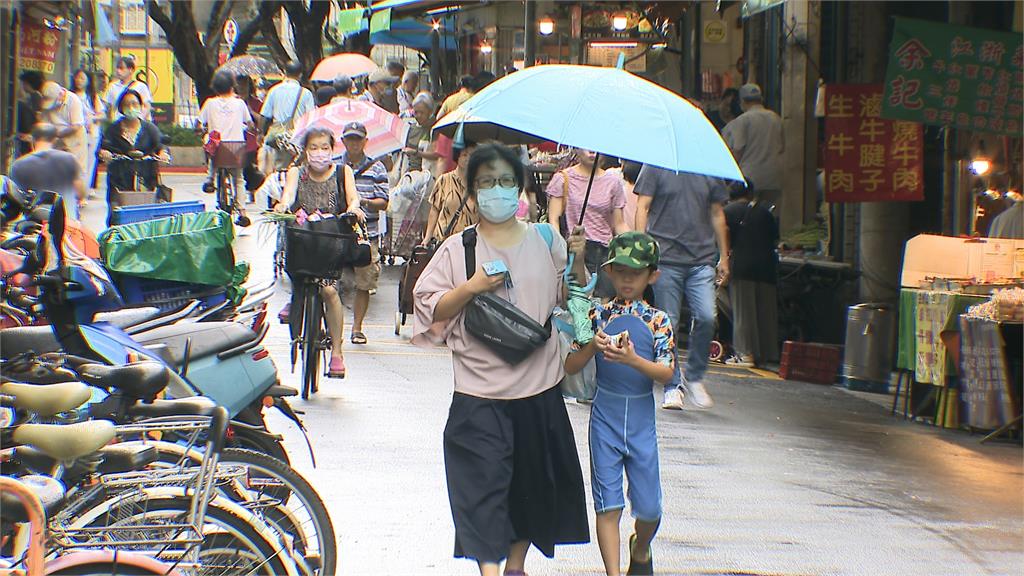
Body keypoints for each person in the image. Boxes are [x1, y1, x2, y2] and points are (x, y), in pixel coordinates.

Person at [412, 142, 590, 576]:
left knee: (530, 487)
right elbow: (430, 306)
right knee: (480, 490)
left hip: (538, 390)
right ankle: (489, 571)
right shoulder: (459, 248)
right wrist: (472, 286)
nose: (498, 191)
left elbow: (569, 298)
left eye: (506, 182)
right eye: (487, 183)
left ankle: (515, 567)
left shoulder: (548, 241)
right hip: (478, 393)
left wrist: (580, 259)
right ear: (472, 194)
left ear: (523, 191)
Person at [564, 231, 675, 576]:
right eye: (621, 270)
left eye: (636, 272)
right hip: (604, 419)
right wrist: (592, 347)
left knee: (649, 510)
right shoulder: (596, 313)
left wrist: (632, 361)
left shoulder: (659, 320)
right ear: (609, 271)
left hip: (641, 422)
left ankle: (640, 548)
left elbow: (667, 374)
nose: (628, 279)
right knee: (607, 505)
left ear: (652, 275)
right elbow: (570, 366)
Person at [634, 166, 730, 410]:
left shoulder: (710, 168)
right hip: (666, 258)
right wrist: (641, 247)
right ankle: (672, 385)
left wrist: (724, 257)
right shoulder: (656, 165)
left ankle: (695, 376)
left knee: (707, 317)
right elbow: (642, 206)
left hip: (702, 260)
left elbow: (717, 213)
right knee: (670, 323)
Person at [274, 126, 364, 379]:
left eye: (324, 148)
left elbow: (353, 198)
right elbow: (288, 196)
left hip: (330, 241)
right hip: (302, 240)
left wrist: (354, 210)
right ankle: (295, 298)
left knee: (329, 291)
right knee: (296, 269)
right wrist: (282, 206)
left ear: (332, 150)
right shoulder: (296, 173)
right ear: (305, 151)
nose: (319, 153)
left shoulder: (343, 172)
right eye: (314, 148)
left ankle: (336, 352)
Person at [546, 148, 629, 298]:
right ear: (577, 149)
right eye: (587, 147)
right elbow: (554, 220)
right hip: (574, 249)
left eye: (597, 148)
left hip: (604, 253)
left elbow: (619, 223)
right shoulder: (563, 179)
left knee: (603, 305)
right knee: (577, 302)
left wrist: (634, 241)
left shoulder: (613, 182)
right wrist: (558, 251)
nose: (592, 152)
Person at [338, 122, 389, 345]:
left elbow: (384, 202)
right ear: (343, 142)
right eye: (350, 139)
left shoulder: (376, 168)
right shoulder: (334, 167)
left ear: (365, 142)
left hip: (367, 233)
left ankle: (357, 327)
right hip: (338, 232)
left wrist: (362, 202)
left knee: (364, 282)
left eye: (358, 139)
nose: (354, 144)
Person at [723, 181, 779, 367]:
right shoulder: (765, 212)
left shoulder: (729, 211)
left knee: (743, 312)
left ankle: (745, 353)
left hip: (743, 266)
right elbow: (774, 238)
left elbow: (724, 236)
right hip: (768, 266)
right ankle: (768, 353)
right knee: (765, 311)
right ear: (750, 192)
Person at [98, 89, 169, 223]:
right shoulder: (114, 129)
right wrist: (105, 154)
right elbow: (103, 147)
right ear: (121, 108)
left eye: (135, 104)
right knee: (116, 215)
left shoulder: (150, 128)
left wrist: (163, 154)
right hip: (119, 179)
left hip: (146, 178)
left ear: (141, 106)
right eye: (127, 105)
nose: (131, 108)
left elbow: (161, 145)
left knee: (146, 216)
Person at [198, 70, 254, 226]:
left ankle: (210, 179)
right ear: (232, 86)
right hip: (236, 148)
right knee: (239, 179)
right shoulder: (240, 103)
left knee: (211, 148)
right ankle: (242, 212)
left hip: (218, 148)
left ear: (215, 87)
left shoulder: (209, 103)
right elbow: (249, 123)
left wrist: (202, 129)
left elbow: (199, 123)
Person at [722, 84, 784, 213]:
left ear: (742, 102)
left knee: (749, 216)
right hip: (774, 178)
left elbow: (738, 151)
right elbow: (782, 148)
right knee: (769, 216)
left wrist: (726, 178)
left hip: (750, 179)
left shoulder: (743, 121)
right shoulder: (776, 118)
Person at [10, 123, 86, 219]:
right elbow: (81, 192)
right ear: (55, 140)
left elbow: (15, 197)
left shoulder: (18, 165)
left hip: (32, 224)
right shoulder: (69, 159)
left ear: (32, 139)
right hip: (67, 219)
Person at [259, 61, 315, 176]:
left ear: (284, 72)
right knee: (295, 170)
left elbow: (265, 115)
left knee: (276, 170)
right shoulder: (306, 93)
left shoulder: (274, 90)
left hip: (276, 137)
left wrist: (260, 133)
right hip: (297, 138)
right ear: (300, 74)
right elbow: (310, 118)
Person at [422, 140, 478, 245]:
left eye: (472, 155)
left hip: (471, 242)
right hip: (445, 241)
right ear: (457, 157)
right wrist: (427, 237)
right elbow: (434, 210)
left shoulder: (480, 184)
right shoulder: (444, 180)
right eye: (464, 155)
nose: (468, 159)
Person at [39, 81, 88, 179]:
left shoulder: (73, 100)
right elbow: (44, 122)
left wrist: (57, 134)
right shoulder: (46, 100)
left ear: (61, 94)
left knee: (75, 173)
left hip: (74, 140)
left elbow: (76, 126)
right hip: (56, 140)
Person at [71, 69, 105, 195]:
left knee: (89, 163)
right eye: (77, 78)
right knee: (77, 162)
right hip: (75, 134)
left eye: (82, 78)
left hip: (91, 133)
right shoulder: (71, 95)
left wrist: (92, 118)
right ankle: (76, 188)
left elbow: (102, 114)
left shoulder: (92, 97)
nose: (79, 81)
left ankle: (84, 189)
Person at [235, 74, 264, 196]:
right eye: (239, 84)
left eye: (245, 84)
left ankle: (252, 184)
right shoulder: (232, 102)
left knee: (249, 155)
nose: (242, 87)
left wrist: (250, 111)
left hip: (251, 137)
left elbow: (261, 119)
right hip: (235, 136)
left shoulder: (256, 102)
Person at [103, 56, 152, 121]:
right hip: (120, 124)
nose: (118, 71)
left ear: (130, 70)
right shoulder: (112, 86)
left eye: (121, 68)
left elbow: (147, 106)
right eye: (117, 68)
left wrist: (140, 119)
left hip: (137, 123)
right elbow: (108, 107)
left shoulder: (141, 86)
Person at [402, 93, 441, 173]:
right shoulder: (410, 128)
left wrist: (417, 153)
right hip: (409, 172)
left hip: (427, 174)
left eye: (422, 113)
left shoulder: (435, 129)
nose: (418, 115)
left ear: (430, 112)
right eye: (416, 112)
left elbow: (436, 155)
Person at [17, 71, 45, 158]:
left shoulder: (33, 99)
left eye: (22, 83)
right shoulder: (37, 97)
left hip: (30, 138)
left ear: (27, 84)